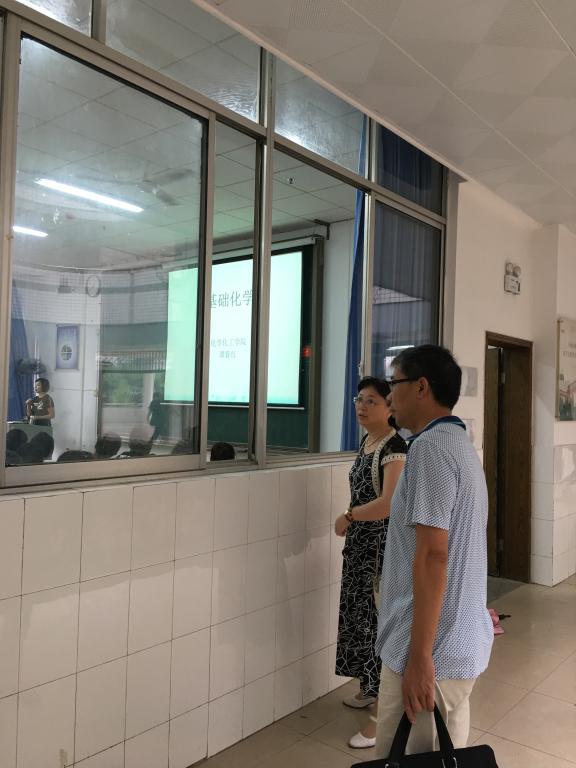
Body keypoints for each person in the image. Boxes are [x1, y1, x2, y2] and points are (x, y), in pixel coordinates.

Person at [374, 345, 493, 757]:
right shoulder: (459, 443)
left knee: (401, 756)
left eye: (394, 383)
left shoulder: (430, 449)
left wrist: (421, 659)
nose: (389, 396)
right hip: (457, 643)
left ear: (421, 387)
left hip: (431, 650)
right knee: (445, 754)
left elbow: (433, 556)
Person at [333, 377, 407, 749]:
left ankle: (380, 719)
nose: (362, 406)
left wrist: (349, 516)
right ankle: (368, 688)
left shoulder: (395, 446)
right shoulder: (368, 442)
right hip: (360, 547)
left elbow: (389, 503)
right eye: (359, 399)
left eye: (371, 401)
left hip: (379, 549)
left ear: (390, 407)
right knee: (360, 620)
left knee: (378, 625)